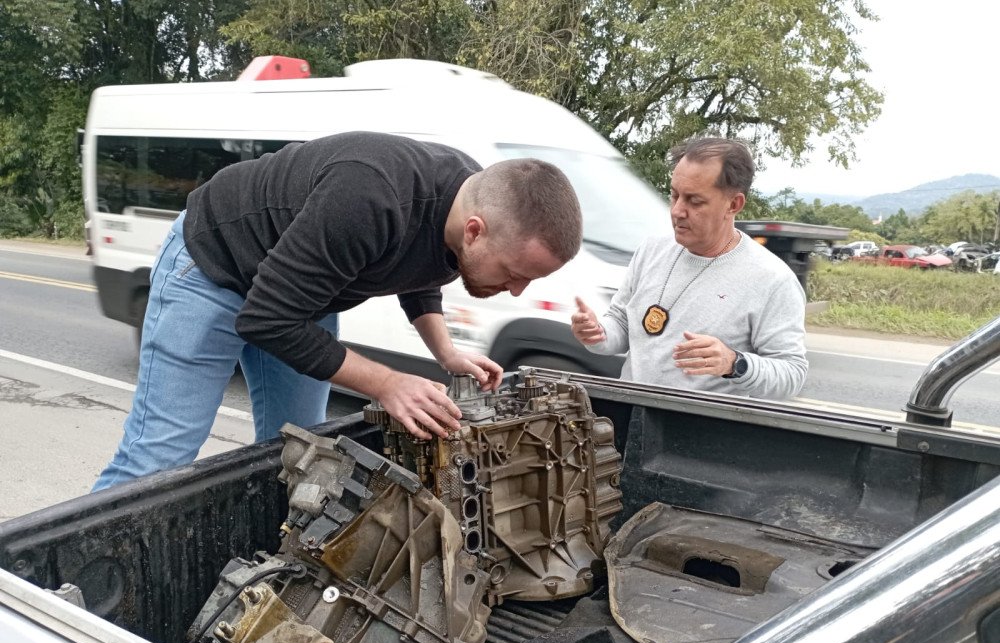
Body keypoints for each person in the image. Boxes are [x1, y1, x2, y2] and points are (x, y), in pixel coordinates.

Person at [93, 131, 582, 491]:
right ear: (475, 230)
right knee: (160, 460)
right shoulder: (369, 197)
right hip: (213, 266)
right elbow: (266, 320)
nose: (516, 291)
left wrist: (446, 352)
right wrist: (389, 384)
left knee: (302, 455)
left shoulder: (468, 204)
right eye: (517, 272)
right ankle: (55, 601)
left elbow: (421, 269)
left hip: (298, 299)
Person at [571, 136, 807, 399]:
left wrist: (734, 363)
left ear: (734, 204)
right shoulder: (651, 251)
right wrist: (597, 334)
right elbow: (622, 326)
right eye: (674, 195)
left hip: (701, 433)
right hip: (632, 420)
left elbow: (792, 374)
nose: (677, 211)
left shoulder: (772, 280)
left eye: (695, 201)